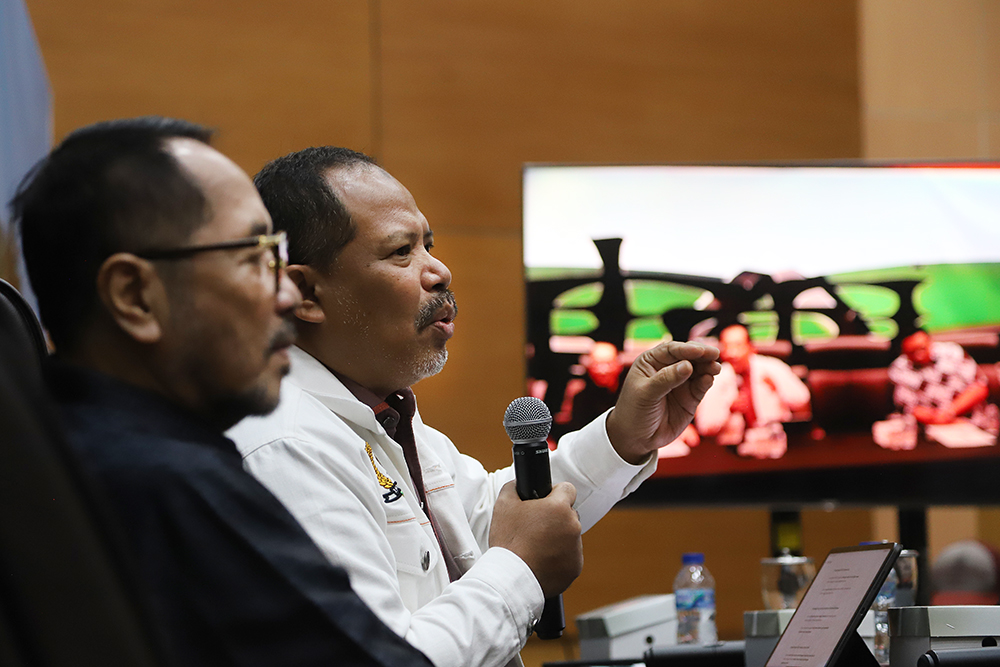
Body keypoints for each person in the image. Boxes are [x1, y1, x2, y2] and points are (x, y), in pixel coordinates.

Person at [227, 146, 721, 667]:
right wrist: (520, 569)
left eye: (429, 245)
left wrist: (623, 437)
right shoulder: (288, 448)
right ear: (304, 292)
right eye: (401, 252)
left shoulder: (382, 417)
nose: (438, 270)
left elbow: (490, 519)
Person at [12, 118, 433, 667]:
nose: (288, 295)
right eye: (255, 259)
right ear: (136, 296)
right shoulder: (174, 486)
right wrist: (515, 574)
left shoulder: (59, 455)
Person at [695, 324, 810, 459]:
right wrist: (729, 409)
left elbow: (802, 400)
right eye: (727, 346)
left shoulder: (773, 368)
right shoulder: (715, 379)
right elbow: (705, 427)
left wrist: (778, 388)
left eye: (738, 345)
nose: (733, 353)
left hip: (775, 445)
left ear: (751, 347)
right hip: (732, 452)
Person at [874, 330, 998, 450]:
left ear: (930, 342)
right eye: (912, 352)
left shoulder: (953, 353)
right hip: (932, 428)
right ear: (904, 352)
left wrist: (950, 412)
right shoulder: (899, 369)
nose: (919, 355)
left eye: (922, 348)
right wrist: (942, 419)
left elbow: (979, 387)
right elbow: (911, 409)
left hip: (973, 422)